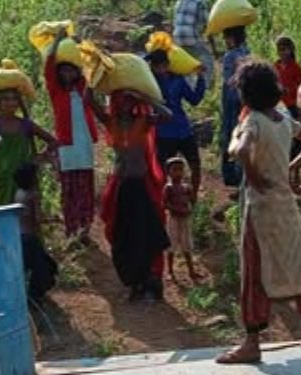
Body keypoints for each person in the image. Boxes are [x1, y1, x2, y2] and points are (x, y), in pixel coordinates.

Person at [217, 59, 301, 365]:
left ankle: (252, 342)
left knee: (254, 271)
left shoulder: (253, 121)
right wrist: (291, 167)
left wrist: (253, 176)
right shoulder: (283, 118)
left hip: (261, 208)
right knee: (299, 266)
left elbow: (240, 151)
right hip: (285, 205)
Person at [101, 88, 171, 302]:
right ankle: (133, 283)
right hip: (122, 187)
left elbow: (168, 115)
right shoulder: (111, 121)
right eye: (121, 99)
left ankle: (151, 284)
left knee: (147, 235)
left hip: (142, 185)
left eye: (129, 100)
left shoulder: (144, 121)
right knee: (124, 236)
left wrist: (146, 98)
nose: (125, 104)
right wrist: (95, 81)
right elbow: (89, 100)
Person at [45, 33, 106, 239]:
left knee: (85, 188)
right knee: (69, 189)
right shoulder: (56, 91)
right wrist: (57, 40)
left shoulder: (82, 89)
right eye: (64, 71)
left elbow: (94, 67)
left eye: (71, 70)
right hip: (66, 147)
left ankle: (85, 228)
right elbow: (48, 66)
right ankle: (72, 230)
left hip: (84, 145)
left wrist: (81, 45)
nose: (68, 74)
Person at [149, 49, 206, 196]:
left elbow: (194, 99)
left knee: (195, 165)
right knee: (162, 171)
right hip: (164, 132)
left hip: (183, 129)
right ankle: (163, 201)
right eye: (155, 66)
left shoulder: (178, 80)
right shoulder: (150, 83)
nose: (159, 69)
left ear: (167, 65)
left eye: (161, 66)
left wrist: (201, 78)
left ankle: (192, 199)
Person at [0, 87, 56, 207]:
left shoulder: (25, 125)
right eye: (6, 99)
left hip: (23, 178)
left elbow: (52, 141)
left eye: (14, 99)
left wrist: (38, 159)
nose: (11, 103)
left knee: (24, 212)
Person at [14, 163, 59, 302]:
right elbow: (38, 218)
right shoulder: (33, 195)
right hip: (31, 238)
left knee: (30, 267)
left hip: (19, 237)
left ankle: (30, 295)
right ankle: (34, 297)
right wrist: (53, 219)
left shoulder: (18, 193)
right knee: (44, 269)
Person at [219, 25, 251, 187]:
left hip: (231, 101)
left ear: (232, 38)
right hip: (245, 99)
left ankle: (231, 175)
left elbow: (227, 80)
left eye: (227, 38)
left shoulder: (230, 56)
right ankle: (242, 174)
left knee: (230, 134)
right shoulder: (248, 52)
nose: (225, 41)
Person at [163, 157, 200, 283]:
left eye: (180, 169)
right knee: (171, 245)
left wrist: (190, 203)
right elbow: (165, 203)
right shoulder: (168, 187)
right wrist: (177, 209)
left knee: (187, 245)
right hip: (173, 219)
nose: (178, 173)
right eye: (175, 170)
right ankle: (170, 271)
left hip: (185, 219)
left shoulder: (186, 187)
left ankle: (191, 271)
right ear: (168, 172)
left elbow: (192, 200)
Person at [273, 36, 301, 160]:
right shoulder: (276, 66)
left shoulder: (296, 67)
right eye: (279, 49)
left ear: (291, 50)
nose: (282, 52)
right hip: (277, 105)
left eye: (284, 49)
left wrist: (289, 90)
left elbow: (300, 87)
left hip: (291, 106)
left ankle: (292, 161)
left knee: (292, 136)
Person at [172, 0, 216, 81]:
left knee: (187, 64)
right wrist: (214, 49)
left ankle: (188, 84)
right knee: (207, 61)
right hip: (191, 38)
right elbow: (208, 27)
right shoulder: (200, 3)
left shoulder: (180, 2)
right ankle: (205, 85)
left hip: (177, 39)